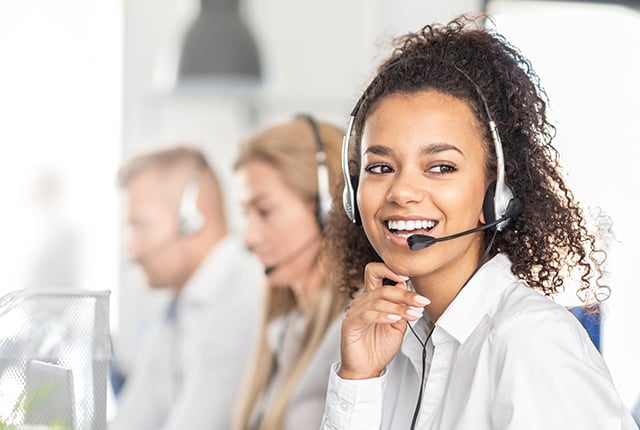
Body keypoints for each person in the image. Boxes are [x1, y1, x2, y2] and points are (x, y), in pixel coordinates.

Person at [320, 14, 638, 430]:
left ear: (496, 190)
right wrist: (358, 380)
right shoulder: (395, 345)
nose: (401, 192)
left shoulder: (529, 341)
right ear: (352, 191)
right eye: (380, 168)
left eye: (440, 167)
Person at [109, 145, 263, 430]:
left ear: (193, 219)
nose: (131, 249)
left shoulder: (243, 299)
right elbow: (134, 416)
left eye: (140, 227)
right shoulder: (175, 301)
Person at [231, 115, 346, 430]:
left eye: (265, 211)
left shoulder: (352, 334)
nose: (249, 238)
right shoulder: (286, 327)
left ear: (328, 210)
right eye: (246, 214)